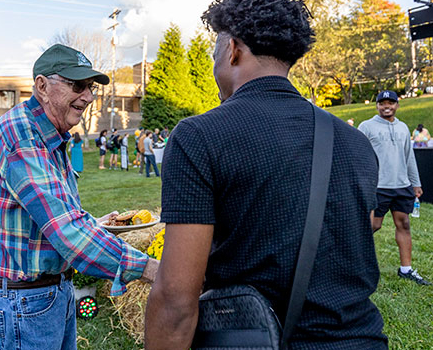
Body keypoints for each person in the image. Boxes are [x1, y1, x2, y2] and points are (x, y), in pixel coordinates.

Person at [145, 1, 388, 349]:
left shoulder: (198, 136)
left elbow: (175, 300)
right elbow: (364, 230)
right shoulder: (357, 142)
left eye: (215, 51)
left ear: (231, 51)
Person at [0, 44, 158, 350]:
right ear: (42, 86)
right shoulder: (22, 137)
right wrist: (153, 269)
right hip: (23, 304)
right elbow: (68, 232)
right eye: (77, 85)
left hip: (42, 297)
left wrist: (94, 224)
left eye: (90, 87)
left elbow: (43, 221)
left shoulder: (46, 134)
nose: (88, 96)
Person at [358, 90, 430, 286]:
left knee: (404, 224)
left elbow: (409, 157)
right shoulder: (366, 126)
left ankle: (406, 270)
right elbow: (358, 155)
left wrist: (416, 183)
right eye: (382, 103)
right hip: (378, 186)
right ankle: (353, 263)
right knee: (373, 225)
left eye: (391, 102)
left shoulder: (403, 128)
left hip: (401, 185)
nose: (386, 106)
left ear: (397, 105)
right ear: (377, 106)